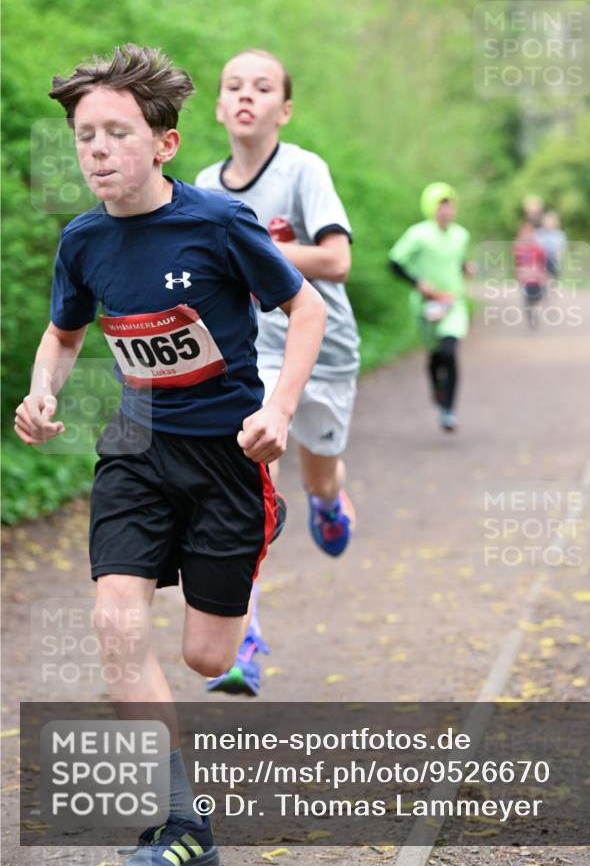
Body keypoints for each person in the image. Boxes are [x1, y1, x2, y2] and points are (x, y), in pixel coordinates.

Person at [14, 44, 326, 866]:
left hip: (229, 458)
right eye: (86, 136)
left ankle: (266, 519)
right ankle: (182, 825)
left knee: (205, 657)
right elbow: (64, 332)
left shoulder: (218, 224)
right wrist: (43, 388)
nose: (99, 150)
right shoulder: (82, 242)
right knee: (116, 624)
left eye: (117, 132)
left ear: (163, 144)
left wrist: (279, 409)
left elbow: (305, 313)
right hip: (137, 448)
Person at [196, 49, 360, 696]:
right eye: (233, 86)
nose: (246, 96)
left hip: (323, 347)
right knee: (249, 482)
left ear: (282, 110)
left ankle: (328, 500)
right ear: (217, 106)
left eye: (261, 88)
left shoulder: (303, 169)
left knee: (320, 468)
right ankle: (245, 640)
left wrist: (251, 250)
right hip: (250, 357)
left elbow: (337, 261)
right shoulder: (205, 183)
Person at [388, 182, 472, 432]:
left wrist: (466, 268)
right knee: (436, 355)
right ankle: (437, 391)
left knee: (450, 351)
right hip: (428, 306)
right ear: (430, 208)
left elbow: (456, 260)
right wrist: (418, 283)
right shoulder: (418, 234)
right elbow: (394, 262)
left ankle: (448, 409)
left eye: (449, 205)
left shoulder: (461, 235)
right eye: (440, 206)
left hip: (453, 303)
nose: (446, 211)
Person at [512, 221, 547, 328]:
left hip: (536, 274)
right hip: (524, 275)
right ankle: (530, 315)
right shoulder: (517, 245)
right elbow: (516, 260)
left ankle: (533, 309)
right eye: (525, 231)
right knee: (527, 298)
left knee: (538, 296)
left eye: (530, 231)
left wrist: (542, 273)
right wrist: (517, 272)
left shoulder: (537, 245)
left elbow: (542, 259)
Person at [536, 210, 567, 278]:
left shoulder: (559, 234)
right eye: (547, 221)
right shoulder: (538, 233)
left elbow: (562, 249)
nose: (549, 223)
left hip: (553, 260)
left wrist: (558, 257)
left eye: (551, 221)